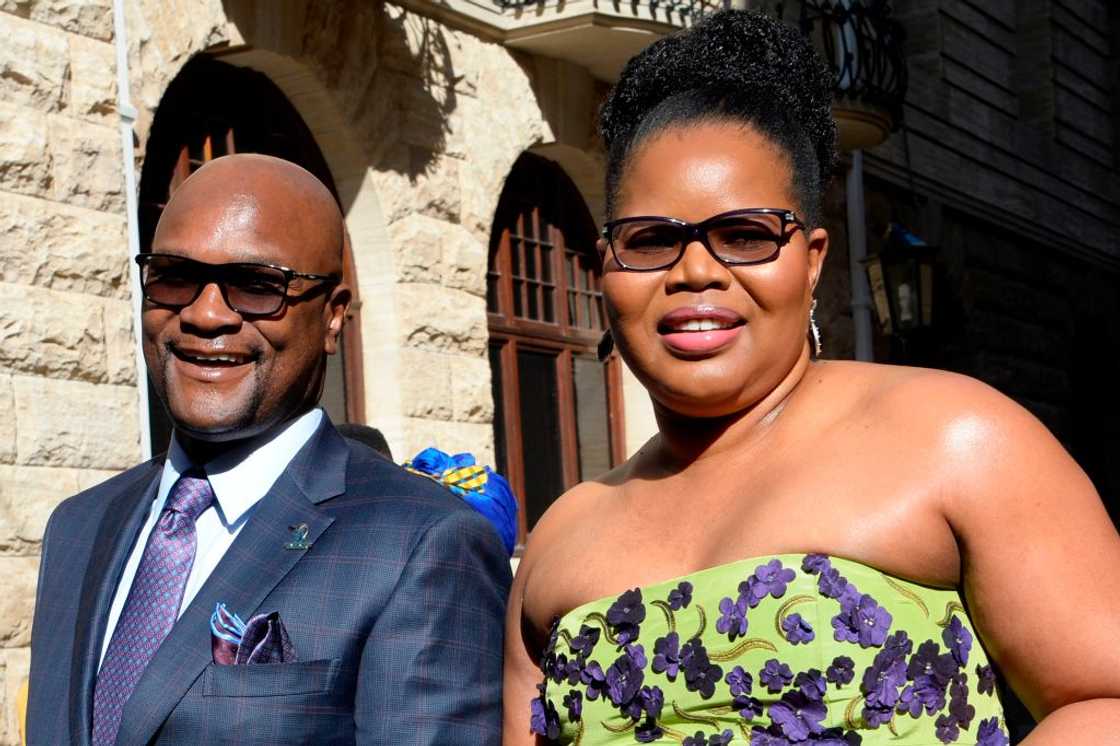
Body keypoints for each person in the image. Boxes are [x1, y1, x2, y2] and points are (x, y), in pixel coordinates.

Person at [503, 10, 1120, 745]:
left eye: (745, 234)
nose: (696, 270)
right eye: (652, 241)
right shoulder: (559, 538)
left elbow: (1103, 701)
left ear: (813, 259)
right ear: (607, 268)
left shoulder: (955, 437)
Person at [27, 154, 510, 745]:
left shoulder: (422, 543)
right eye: (175, 277)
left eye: (257, 286)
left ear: (333, 317)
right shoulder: (79, 526)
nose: (205, 315)